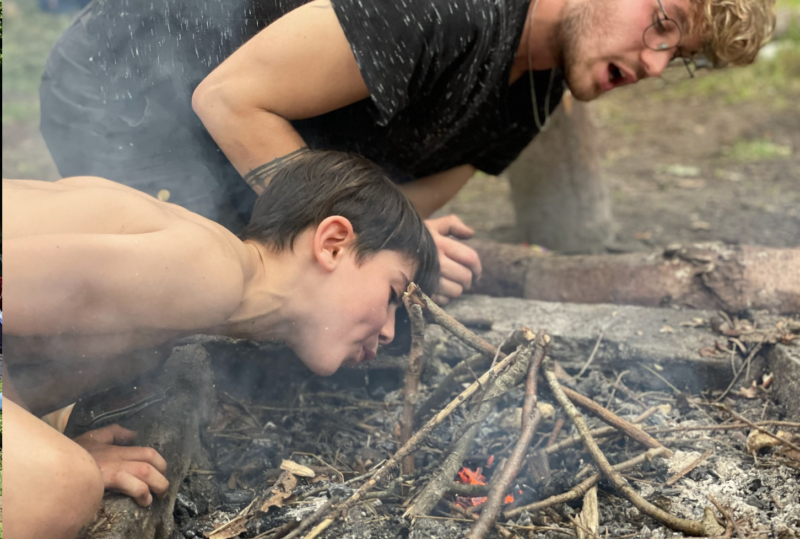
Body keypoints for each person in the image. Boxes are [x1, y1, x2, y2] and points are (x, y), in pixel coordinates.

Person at [38, 0, 774, 303]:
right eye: (664, 23)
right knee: (193, 305)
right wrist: (376, 242)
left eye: (679, 55)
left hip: (235, 153)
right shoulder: (455, 8)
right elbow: (229, 100)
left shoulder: (541, 89)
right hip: (129, 90)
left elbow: (412, 192)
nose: (653, 64)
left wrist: (398, 232)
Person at [1, 150, 439, 539]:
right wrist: (68, 468)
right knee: (57, 492)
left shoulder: (167, 323)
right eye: (393, 297)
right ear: (334, 244)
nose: (388, 331)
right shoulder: (210, 273)